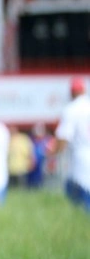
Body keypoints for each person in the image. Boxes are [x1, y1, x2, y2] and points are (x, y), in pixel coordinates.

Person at [54, 77, 90, 212]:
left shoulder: (71, 109)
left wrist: (54, 152)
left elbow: (63, 138)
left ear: (71, 92)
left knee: (80, 197)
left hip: (80, 158)